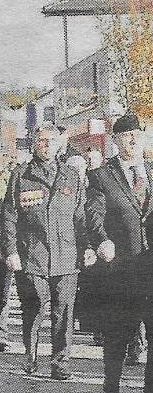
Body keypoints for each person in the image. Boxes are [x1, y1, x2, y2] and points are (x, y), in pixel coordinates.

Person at [83, 113, 153, 393]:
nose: (133, 140)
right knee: (118, 338)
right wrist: (103, 239)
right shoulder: (100, 175)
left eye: (138, 134)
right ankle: (111, 384)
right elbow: (93, 214)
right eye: (126, 136)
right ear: (116, 140)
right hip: (121, 272)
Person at [2, 124, 88, 379]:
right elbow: (9, 217)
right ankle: (31, 357)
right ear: (34, 143)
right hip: (32, 255)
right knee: (35, 306)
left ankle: (60, 363)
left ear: (59, 144)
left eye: (51, 140)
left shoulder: (71, 175)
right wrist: (10, 250)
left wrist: (87, 247)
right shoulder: (21, 175)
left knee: (64, 309)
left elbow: (80, 215)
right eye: (41, 140)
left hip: (66, 255)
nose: (46, 145)